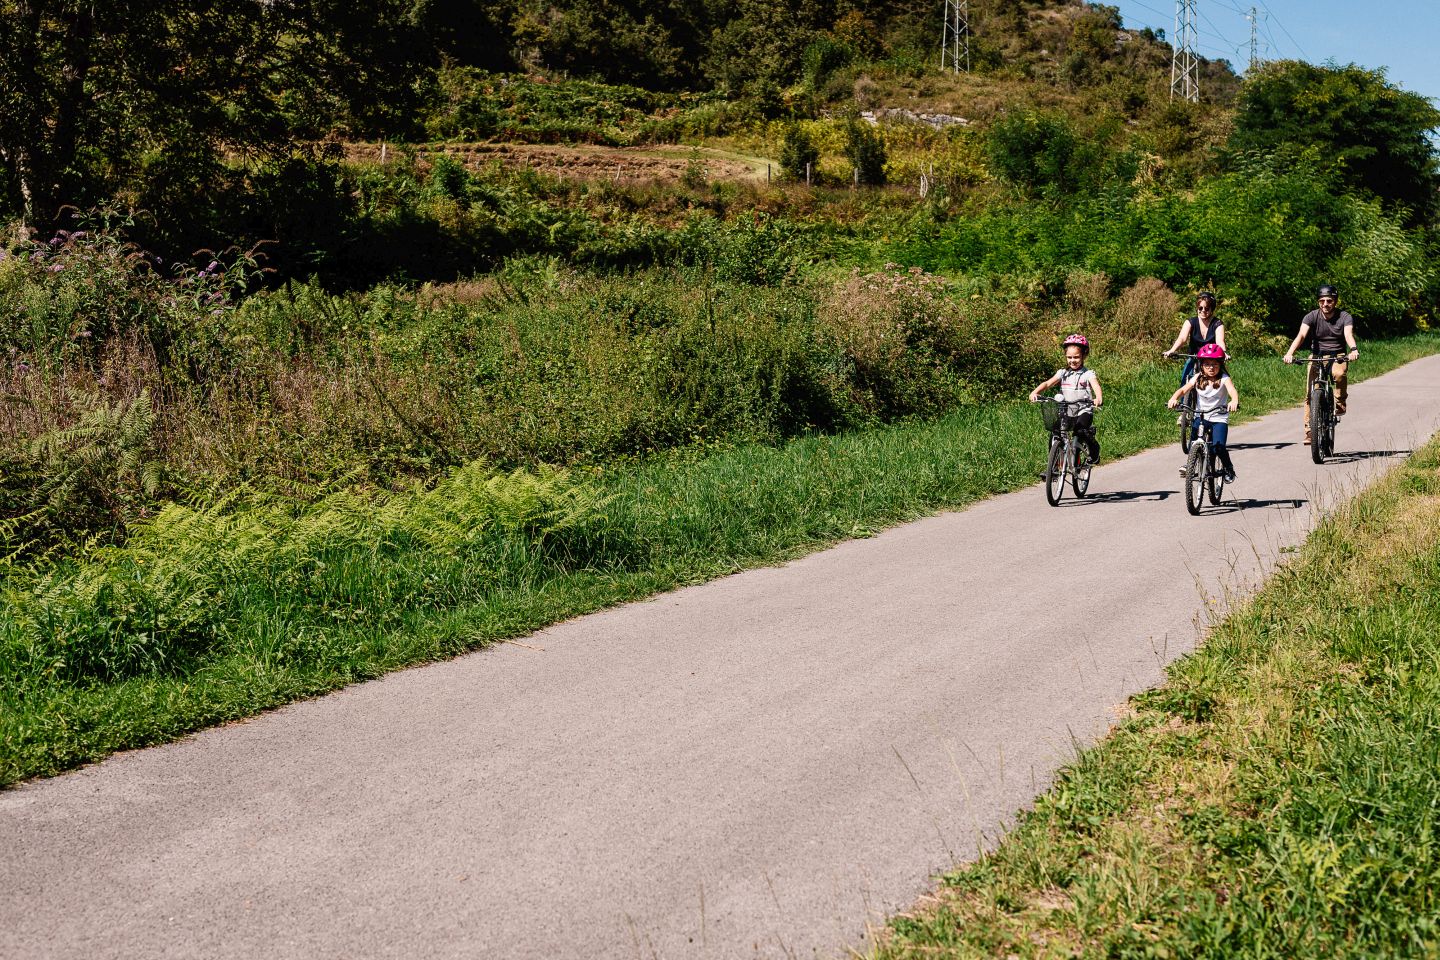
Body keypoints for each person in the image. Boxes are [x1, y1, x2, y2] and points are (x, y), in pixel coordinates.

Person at [1283, 284, 1359, 443]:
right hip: (1316, 356)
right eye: (1322, 301)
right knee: (1310, 393)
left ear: (1335, 301)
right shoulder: (1310, 316)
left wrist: (1353, 350)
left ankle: (1340, 401)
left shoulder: (1345, 317)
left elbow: (1348, 334)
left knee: (1339, 374)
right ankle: (1309, 431)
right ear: (1318, 302)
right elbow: (1301, 336)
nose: (1325, 304)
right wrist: (1290, 353)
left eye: (1329, 301)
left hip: (1337, 355)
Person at [1168, 343, 1239, 481]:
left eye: (1215, 364)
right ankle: (1191, 464)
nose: (1211, 368)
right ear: (1201, 365)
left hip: (1219, 418)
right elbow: (1184, 389)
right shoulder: (1197, 377)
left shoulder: (1224, 378)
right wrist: (1174, 398)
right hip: (1201, 416)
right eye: (1207, 364)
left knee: (1218, 447)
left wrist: (1234, 400)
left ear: (1220, 364)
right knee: (1194, 442)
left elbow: (1232, 391)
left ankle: (1228, 467)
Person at [1029, 333, 1103, 464]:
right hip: (1066, 410)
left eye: (1076, 357)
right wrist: (1035, 392)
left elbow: (1096, 386)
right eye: (1069, 357)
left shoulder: (1088, 374)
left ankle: (1094, 449)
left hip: (1083, 410)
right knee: (1055, 433)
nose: (1072, 360)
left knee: (1081, 431)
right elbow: (1047, 383)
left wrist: (1098, 398)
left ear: (1084, 356)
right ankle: (1054, 466)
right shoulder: (1063, 373)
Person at [1163, 291, 1227, 384]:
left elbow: (1220, 341)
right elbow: (1182, 339)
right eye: (1200, 308)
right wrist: (1172, 350)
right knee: (1184, 383)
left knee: (1222, 382)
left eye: (1207, 308)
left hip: (1212, 359)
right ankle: (1182, 399)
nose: (1203, 310)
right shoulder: (1190, 322)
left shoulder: (1217, 324)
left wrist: (1224, 352)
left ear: (1212, 309)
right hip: (1194, 357)